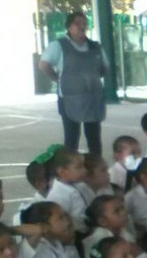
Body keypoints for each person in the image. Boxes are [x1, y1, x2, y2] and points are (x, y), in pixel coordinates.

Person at [38, 12, 108, 155]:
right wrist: (57, 79)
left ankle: (95, 170)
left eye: (84, 23)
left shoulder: (95, 47)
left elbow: (105, 68)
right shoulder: (58, 45)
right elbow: (43, 65)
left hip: (92, 99)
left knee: (94, 139)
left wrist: (91, 79)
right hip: (69, 99)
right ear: (69, 27)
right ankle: (69, 172)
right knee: (71, 139)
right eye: (77, 23)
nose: (82, 26)